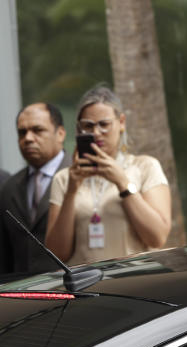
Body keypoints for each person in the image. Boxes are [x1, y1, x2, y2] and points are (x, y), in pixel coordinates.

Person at [46, 86, 171, 265]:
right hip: (84, 285)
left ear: (121, 122)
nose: (96, 133)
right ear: (79, 129)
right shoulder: (64, 178)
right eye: (88, 126)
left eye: (104, 124)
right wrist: (71, 191)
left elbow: (157, 238)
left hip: (136, 281)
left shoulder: (145, 167)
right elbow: (57, 253)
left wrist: (122, 182)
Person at [0, 103, 69, 275]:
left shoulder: (80, 178)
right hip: (22, 295)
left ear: (60, 133)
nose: (28, 138)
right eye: (22, 132)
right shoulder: (8, 187)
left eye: (37, 130)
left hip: (73, 292)